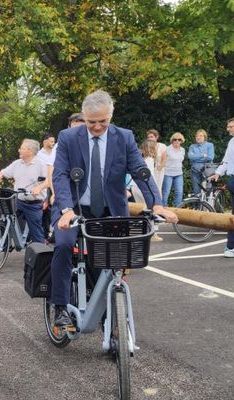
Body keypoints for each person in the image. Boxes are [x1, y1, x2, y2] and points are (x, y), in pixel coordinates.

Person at [50, 90, 178, 330]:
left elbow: (141, 171)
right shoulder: (68, 137)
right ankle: (60, 306)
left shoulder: (124, 137)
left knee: (113, 258)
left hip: (110, 209)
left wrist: (157, 204)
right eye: (91, 122)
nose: (97, 127)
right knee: (64, 244)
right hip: (74, 208)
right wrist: (66, 209)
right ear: (84, 117)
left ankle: (111, 313)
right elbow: (59, 175)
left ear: (111, 115)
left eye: (103, 121)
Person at [0, 139, 49, 244]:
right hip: (18, 201)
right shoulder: (17, 163)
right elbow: (3, 172)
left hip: (34, 204)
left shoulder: (41, 164)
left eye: (22, 148)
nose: (19, 150)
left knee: (36, 232)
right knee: (3, 218)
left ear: (30, 151)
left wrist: (39, 188)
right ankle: (5, 244)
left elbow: (49, 181)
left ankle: (40, 256)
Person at [208, 117, 234, 258]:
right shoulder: (231, 142)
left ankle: (231, 246)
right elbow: (225, 161)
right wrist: (217, 173)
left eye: (231, 126)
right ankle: (230, 247)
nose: (228, 128)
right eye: (228, 126)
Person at [141, 140, 163, 242]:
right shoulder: (149, 159)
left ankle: (143, 232)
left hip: (136, 187)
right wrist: (156, 190)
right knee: (151, 210)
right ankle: (152, 233)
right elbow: (150, 176)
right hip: (146, 187)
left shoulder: (141, 158)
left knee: (142, 210)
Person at [37, 133, 57, 239]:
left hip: (56, 182)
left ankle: (53, 231)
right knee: (46, 208)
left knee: (53, 207)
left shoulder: (56, 152)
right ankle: (47, 233)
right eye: (51, 141)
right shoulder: (39, 155)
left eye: (54, 141)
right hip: (45, 184)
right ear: (45, 142)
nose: (53, 143)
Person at [188, 129, 215, 195]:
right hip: (195, 171)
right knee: (196, 191)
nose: (198, 137)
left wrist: (196, 157)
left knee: (208, 190)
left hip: (207, 171)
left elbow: (210, 157)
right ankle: (197, 206)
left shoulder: (210, 145)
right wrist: (203, 155)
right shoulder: (192, 146)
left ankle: (207, 205)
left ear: (204, 137)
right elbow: (190, 157)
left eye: (200, 136)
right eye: (197, 136)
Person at [162, 132, 186, 207]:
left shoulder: (182, 150)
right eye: (175, 139)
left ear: (181, 141)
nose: (177, 141)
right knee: (166, 192)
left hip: (179, 173)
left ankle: (177, 209)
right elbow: (162, 161)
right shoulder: (167, 149)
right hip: (167, 173)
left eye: (179, 139)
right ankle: (163, 208)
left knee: (179, 192)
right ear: (172, 140)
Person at [147, 129, 167, 195]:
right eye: (148, 137)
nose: (150, 138)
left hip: (159, 170)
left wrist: (160, 168)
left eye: (151, 136)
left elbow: (165, 159)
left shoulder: (162, 146)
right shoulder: (146, 146)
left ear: (156, 137)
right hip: (149, 170)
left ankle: (159, 204)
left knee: (158, 188)